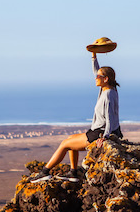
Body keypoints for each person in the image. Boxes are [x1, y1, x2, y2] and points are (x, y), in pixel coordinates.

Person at [30, 52, 122, 183]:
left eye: (98, 76)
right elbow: (97, 71)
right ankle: (73, 173)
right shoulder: (109, 88)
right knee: (70, 139)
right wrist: (94, 56)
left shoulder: (107, 95)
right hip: (100, 131)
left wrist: (105, 137)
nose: (95, 77)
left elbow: (110, 118)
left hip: (100, 133)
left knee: (64, 144)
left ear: (105, 79)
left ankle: (45, 172)